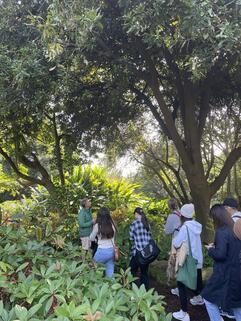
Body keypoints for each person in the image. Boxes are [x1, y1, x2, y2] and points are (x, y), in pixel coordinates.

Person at [202, 204, 241, 321]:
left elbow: (221, 255)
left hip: (224, 274)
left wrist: (211, 250)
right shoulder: (236, 229)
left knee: (208, 299)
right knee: (237, 305)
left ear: (216, 217)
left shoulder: (222, 231)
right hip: (237, 273)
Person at [172, 203, 204, 321]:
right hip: (197, 259)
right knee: (196, 281)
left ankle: (184, 313)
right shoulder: (196, 226)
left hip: (187, 260)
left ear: (182, 215)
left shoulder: (185, 227)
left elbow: (176, 243)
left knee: (181, 285)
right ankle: (199, 299)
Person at [90, 207, 116, 278]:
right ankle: (112, 287)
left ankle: (98, 286)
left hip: (101, 251)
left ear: (99, 215)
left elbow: (91, 238)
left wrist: (96, 240)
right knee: (110, 274)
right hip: (111, 251)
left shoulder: (97, 226)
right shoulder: (112, 224)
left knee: (94, 271)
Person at [129, 207, 152, 290]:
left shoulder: (134, 223)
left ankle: (133, 289)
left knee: (132, 271)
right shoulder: (146, 223)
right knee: (144, 272)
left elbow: (131, 238)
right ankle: (145, 291)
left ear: (136, 214)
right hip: (146, 252)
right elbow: (150, 237)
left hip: (137, 252)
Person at [165, 198, 181, 294]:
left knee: (177, 264)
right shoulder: (182, 213)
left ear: (169, 206)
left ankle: (180, 289)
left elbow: (167, 231)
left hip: (176, 241)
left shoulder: (171, 216)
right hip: (185, 241)